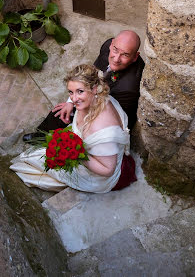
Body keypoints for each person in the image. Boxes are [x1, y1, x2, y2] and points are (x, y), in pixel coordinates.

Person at [10, 64, 136, 193]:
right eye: (71, 92)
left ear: (94, 89)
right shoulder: (98, 98)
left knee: (36, 165)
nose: (74, 99)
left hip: (98, 174)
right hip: (88, 151)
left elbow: (108, 170)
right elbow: (75, 100)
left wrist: (76, 154)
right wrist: (69, 104)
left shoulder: (102, 129)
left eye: (80, 92)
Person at [23, 30, 145, 142]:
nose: (116, 58)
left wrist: (78, 108)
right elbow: (93, 72)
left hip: (110, 114)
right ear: (111, 44)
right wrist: (70, 102)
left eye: (125, 55)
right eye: (115, 50)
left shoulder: (128, 87)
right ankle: (41, 135)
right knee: (60, 111)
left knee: (73, 123)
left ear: (135, 57)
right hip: (98, 95)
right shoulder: (108, 46)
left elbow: (112, 116)